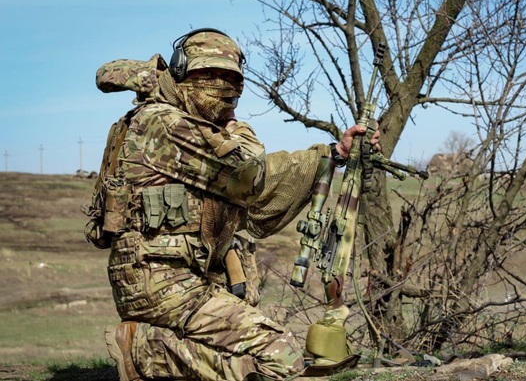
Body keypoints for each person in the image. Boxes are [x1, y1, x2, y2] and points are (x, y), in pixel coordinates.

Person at [84, 28, 379, 381]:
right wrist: (236, 128)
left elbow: (254, 179)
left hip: (173, 277)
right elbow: (250, 174)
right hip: (161, 281)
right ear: (180, 73)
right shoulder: (165, 123)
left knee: (249, 351)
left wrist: (336, 152)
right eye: (208, 75)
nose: (222, 87)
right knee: (281, 356)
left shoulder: (174, 119)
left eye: (231, 79)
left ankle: (166, 349)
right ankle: (143, 350)